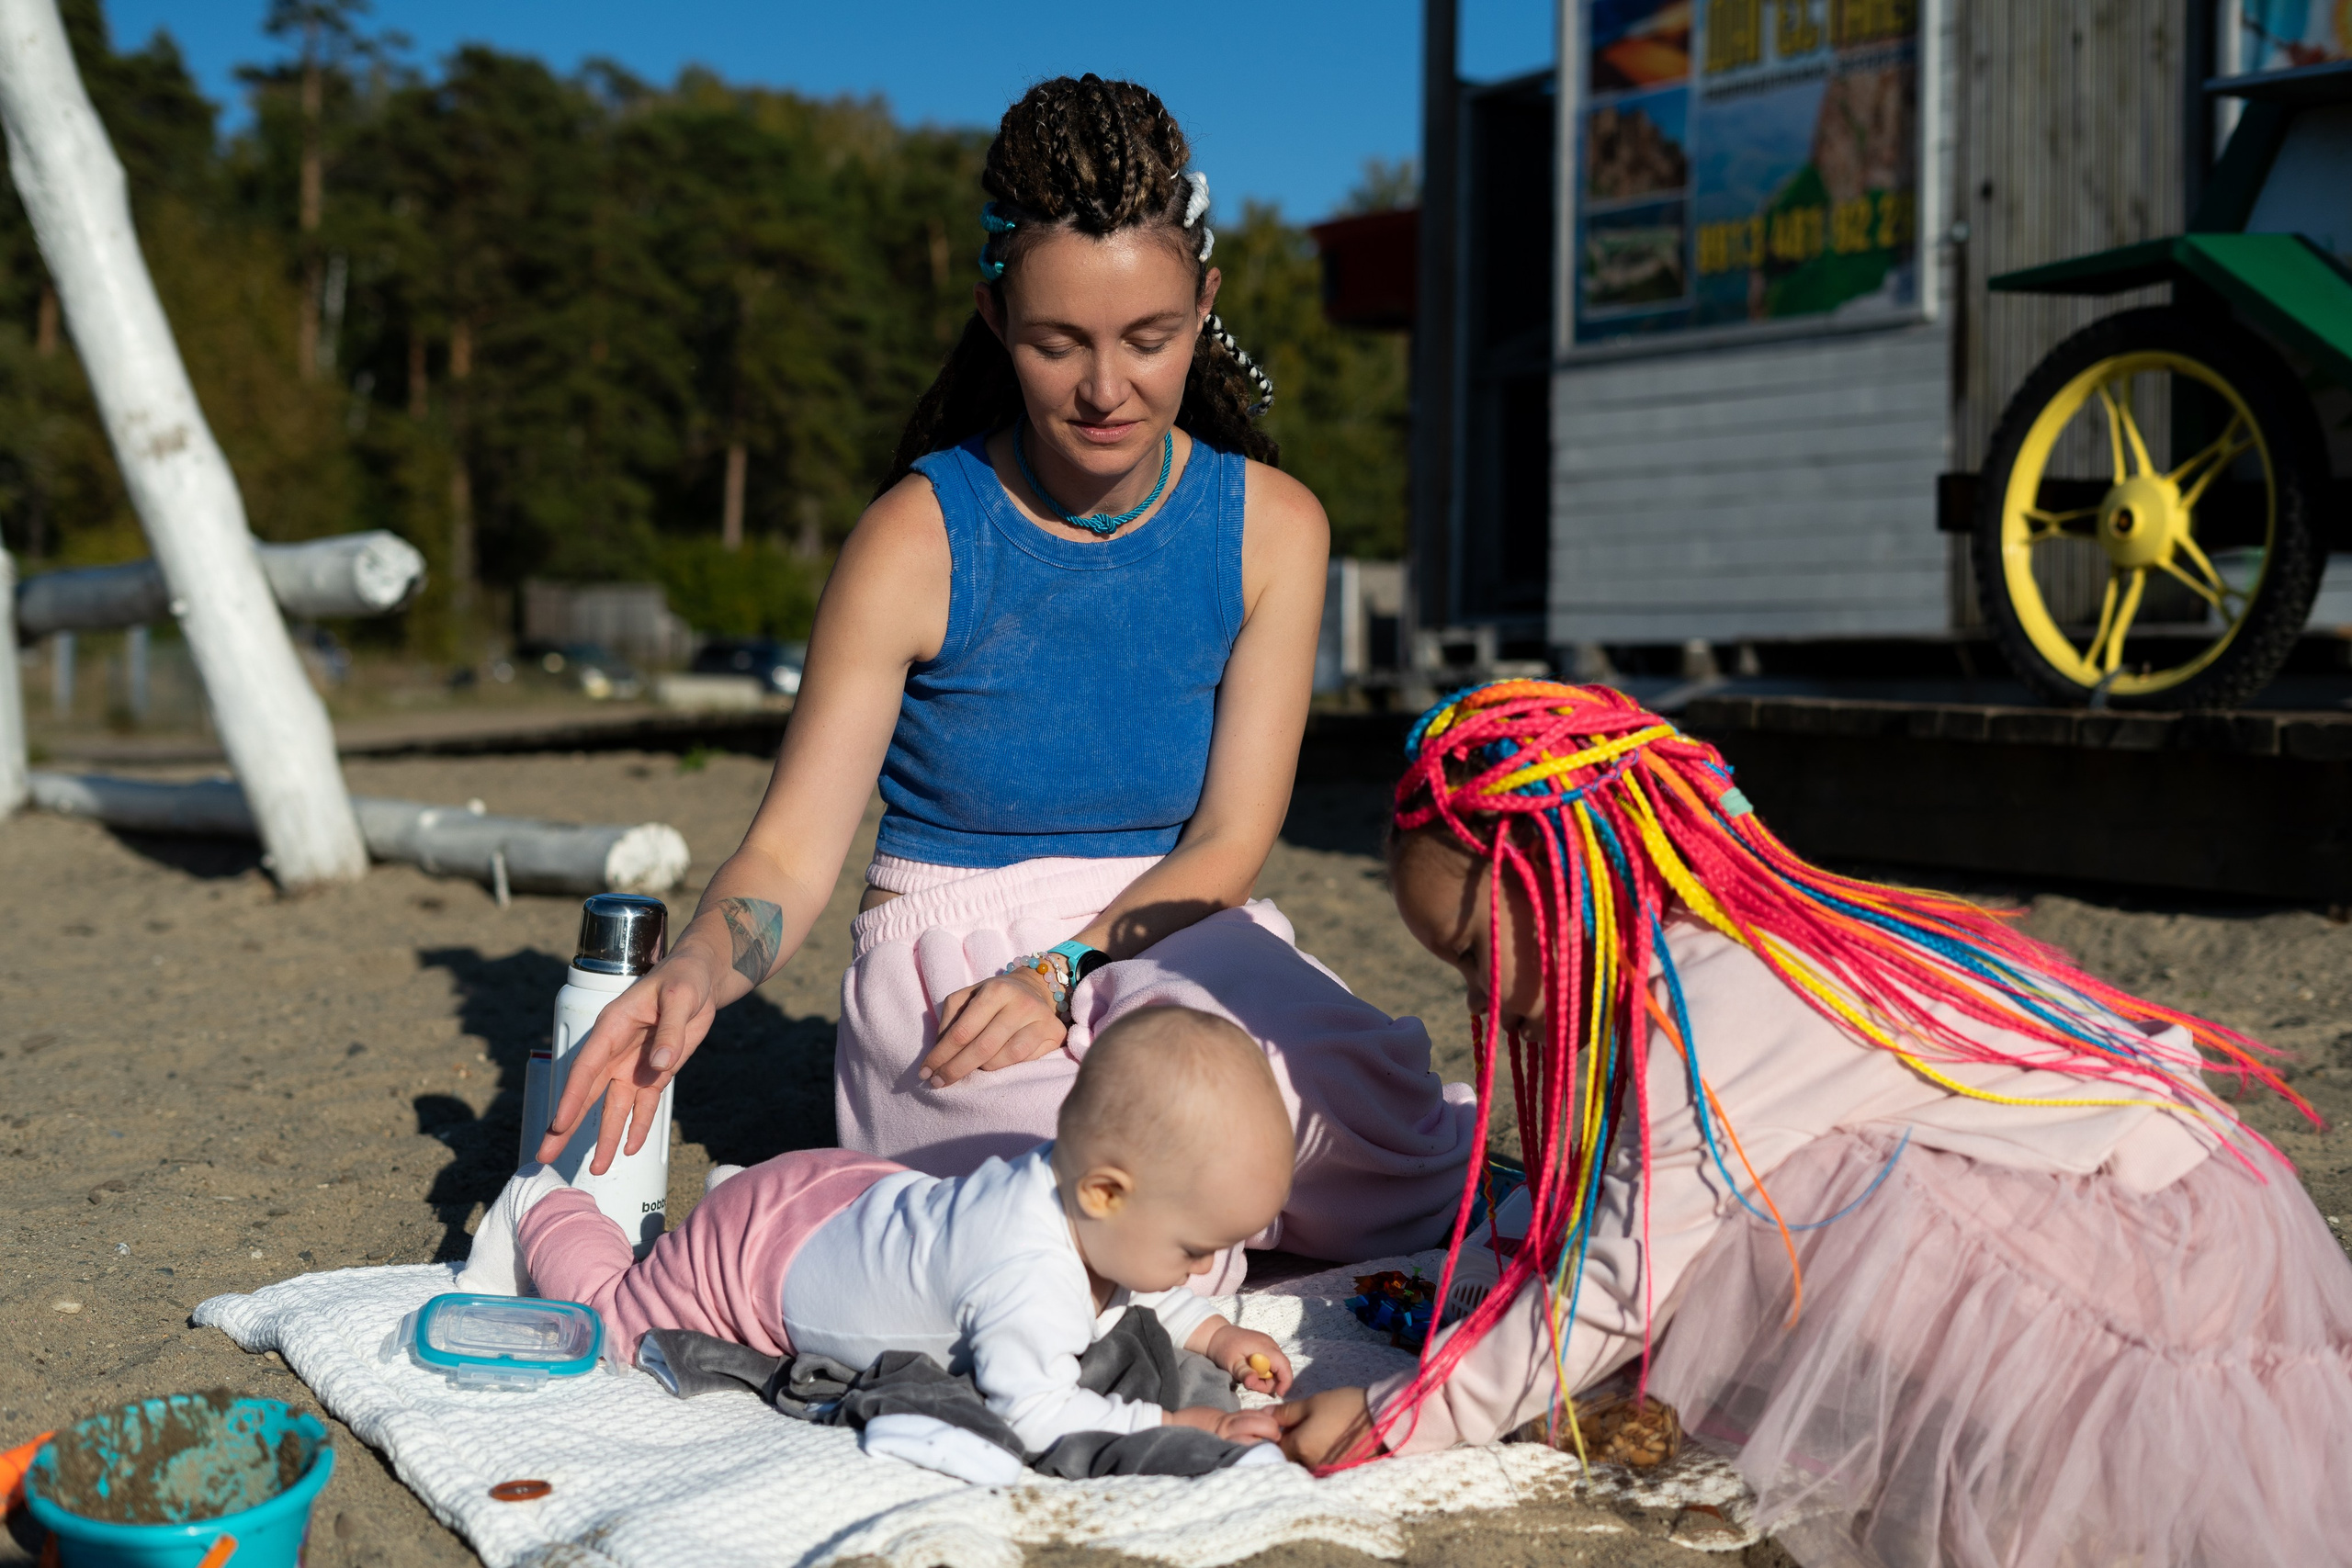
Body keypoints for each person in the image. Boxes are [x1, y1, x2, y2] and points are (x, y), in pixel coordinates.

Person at [533, 74, 1476, 1280]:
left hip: (1174, 921)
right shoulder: (916, 537)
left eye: (1149, 338)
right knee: (1082, 1217)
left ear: (1206, 305)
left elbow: (1233, 837)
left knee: (1395, 1160)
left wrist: (1071, 969)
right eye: (1056, 340)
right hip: (954, 956)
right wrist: (699, 969)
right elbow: (785, 855)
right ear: (991, 314)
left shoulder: (1273, 530)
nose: (1105, 389)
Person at [1274, 681, 2352, 1568]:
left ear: (1574, 870)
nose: (1482, 995)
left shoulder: (1703, 1009)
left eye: (1471, 949)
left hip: (2159, 1257)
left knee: (1788, 1192)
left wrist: (1398, 1414)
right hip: (2198, 1199)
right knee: (1719, 1184)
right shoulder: (1723, 931)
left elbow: (1619, 1274)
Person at [465, 1007, 1293, 1455]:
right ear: (1106, 1192)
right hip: (751, 1259)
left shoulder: (1075, 1189)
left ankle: (739, 1184)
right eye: (1195, 1250)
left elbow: (1128, 1277)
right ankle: (541, 1203)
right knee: (613, 1323)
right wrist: (1185, 1426)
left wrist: (1213, 1331)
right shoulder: (1027, 1272)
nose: (1205, 1268)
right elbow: (1039, 1413)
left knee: (886, 1225)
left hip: (850, 1195)